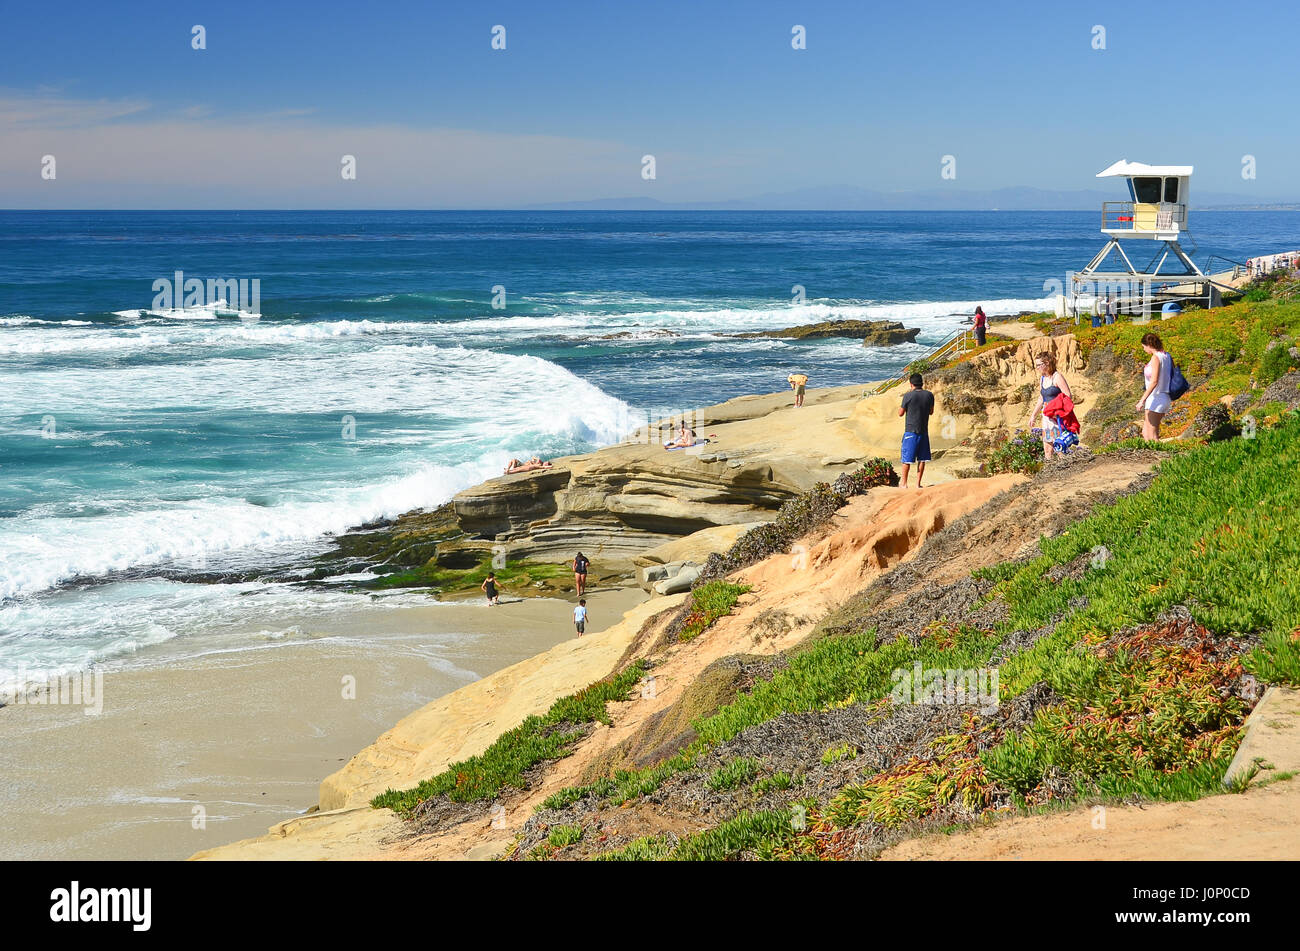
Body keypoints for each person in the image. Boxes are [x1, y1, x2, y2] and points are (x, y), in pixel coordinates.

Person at [1026, 351, 1074, 461]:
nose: (1037, 367)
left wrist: (1058, 409)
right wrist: (1033, 416)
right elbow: (1041, 398)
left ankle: (1066, 472)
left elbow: (1068, 395)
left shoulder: (1057, 377)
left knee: (1059, 448)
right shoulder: (1043, 378)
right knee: (1047, 448)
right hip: (1046, 418)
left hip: (1057, 419)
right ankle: (1049, 474)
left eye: (1039, 365)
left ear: (1047, 363)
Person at [897, 372, 934, 489]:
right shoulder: (929, 395)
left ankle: (904, 483)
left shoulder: (908, 396)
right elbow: (931, 412)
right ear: (921, 383)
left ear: (911, 384)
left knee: (906, 459)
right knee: (922, 459)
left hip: (910, 431)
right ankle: (918, 484)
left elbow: (900, 413)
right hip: (923, 431)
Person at [1136, 332, 1173, 441]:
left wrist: (1141, 400)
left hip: (1157, 397)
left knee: (1152, 436)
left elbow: (1154, 381)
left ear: (1148, 345)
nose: (1143, 349)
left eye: (1143, 347)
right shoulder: (1166, 355)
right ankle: (1150, 457)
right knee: (1146, 433)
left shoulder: (1156, 357)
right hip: (1162, 397)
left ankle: (1162, 457)